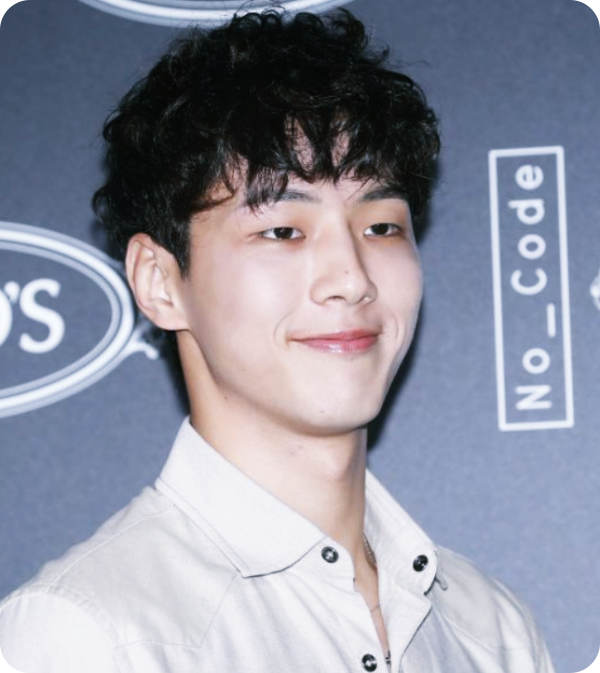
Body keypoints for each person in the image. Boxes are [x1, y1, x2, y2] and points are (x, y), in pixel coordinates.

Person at [0, 8, 555, 673]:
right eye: (283, 231)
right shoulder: (91, 636)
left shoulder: (494, 630)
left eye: (381, 226)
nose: (351, 278)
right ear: (159, 281)